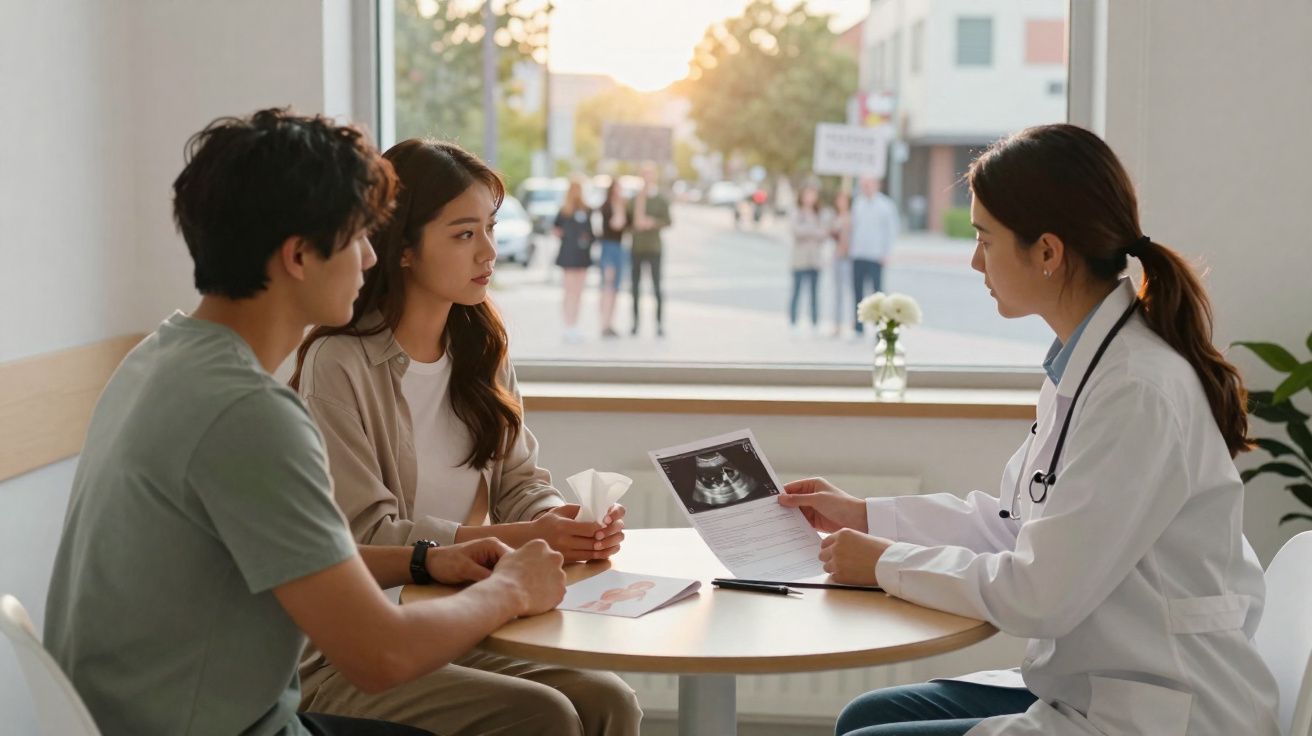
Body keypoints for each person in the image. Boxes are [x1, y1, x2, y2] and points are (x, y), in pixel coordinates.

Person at [43, 109, 567, 736]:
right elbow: (382, 655)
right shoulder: (249, 413)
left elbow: (308, 562)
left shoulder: (160, 360)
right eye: (357, 238)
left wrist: (428, 560)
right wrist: (509, 587)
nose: (372, 258)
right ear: (298, 256)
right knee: (539, 721)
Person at [780, 124, 1280, 736]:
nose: (973, 261)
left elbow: (1040, 594)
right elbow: (1016, 526)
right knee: (868, 716)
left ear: (1047, 252)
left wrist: (885, 563)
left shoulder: (1136, 391)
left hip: (1165, 707)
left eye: (985, 240)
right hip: (1096, 681)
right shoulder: (1088, 365)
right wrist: (865, 516)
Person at [290, 139, 641, 736]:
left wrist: (566, 520)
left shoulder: (481, 347)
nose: (489, 251)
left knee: (611, 700)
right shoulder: (338, 364)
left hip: (455, 619)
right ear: (403, 249)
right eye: (463, 234)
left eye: (490, 228)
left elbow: (521, 482)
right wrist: (528, 536)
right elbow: (367, 537)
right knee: (545, 714)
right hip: (356, 646)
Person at [849, 176, 898, 335]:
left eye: (869, 184)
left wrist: (887, 253)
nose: (866, 187)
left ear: (876, 185)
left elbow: (891, 231)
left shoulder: (885, 205)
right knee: (857, 293)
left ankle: (880, 328)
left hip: (876, 256)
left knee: (877, 295)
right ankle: (858, 327)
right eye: (863, 184)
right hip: (858, 255)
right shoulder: (857, 204)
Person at [628, 164, 672, 337]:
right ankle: (635, 323)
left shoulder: (660, 199)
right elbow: (628, 221)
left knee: (657, 287)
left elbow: (668, 221)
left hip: (654, 248)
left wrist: (653, 222)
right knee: (635, 288)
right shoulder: (635, 199)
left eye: (650, 175)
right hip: (637, 247)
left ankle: (659, 323)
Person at [553, 177, 594, 344]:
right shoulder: (564, 211)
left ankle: (575, 325)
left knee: (578, 292)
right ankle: (567, 325)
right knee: (569, 292)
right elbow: (555, 229)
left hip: (583, 255)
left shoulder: (587, 210)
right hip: (568, 255)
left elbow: (591, 232)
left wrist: (586, 238)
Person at [788, 182, 828, 333]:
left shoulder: (819, 213)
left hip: (815, 260)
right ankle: (793, 322)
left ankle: (815, 322)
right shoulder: (796, 212)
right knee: (797, 292)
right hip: (799, 260)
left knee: (814, 293)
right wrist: (814, 232)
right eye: (807, 194)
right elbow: (796, 231)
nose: (810, 198)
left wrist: (811, 232)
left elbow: (824, 233)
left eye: (813, 194)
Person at [597, 178, 629, 338]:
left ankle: (610, 323)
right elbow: (617, 224)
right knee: (608, 286)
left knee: (615, 288)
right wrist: (620, 207)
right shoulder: (607, 207)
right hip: (608, 247)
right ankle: (604, 323)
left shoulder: (621, 205)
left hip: (619, 248)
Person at [829, 190, 854, 338]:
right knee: (837, 293)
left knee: (851, 292)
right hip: (837, 257)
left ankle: (853, 322)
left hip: (849, 258)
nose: (841, 203)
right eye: (839, 200)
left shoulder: (852, 217)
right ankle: (837, 324)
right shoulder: (835, 217)